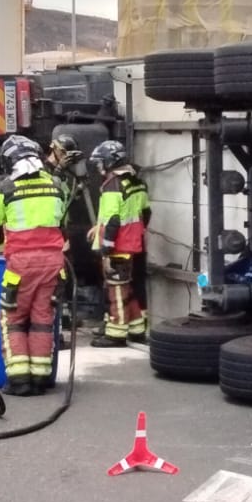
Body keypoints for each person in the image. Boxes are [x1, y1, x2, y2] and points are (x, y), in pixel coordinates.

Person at [0, 134, 68, 397]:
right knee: (43, 318)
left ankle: (19, 380)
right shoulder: (55, 185)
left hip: (20, 266)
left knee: (13, 318)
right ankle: (41, 378)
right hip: (53, 264)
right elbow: (62, 222)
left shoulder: (5, 188)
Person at [89, 139, 150, 347]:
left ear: (109, 162)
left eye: (100, 162)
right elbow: (145, 212)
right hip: (133, 245)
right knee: (128, 289)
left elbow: (113, 219)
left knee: (116, 291)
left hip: (117, 247)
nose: (98, 167)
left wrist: (106, 249)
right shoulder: (136, 181)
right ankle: (137, 328)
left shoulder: (111, 186)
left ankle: (116, 333)